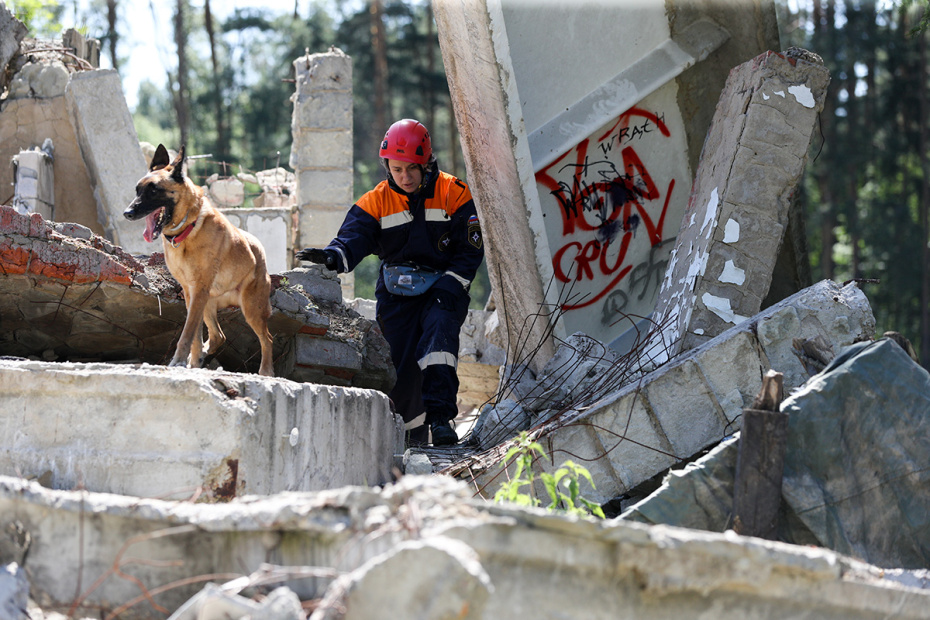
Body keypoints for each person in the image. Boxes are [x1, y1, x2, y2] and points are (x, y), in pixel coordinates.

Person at [297, 119, 484, 447]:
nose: (405, 177)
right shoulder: (376, 201)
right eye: (397, 169)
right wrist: (332, 257)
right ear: (387, 166)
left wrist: (451, 287)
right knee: (398, 366)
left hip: (444, 286)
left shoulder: (454, 192)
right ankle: (411, 436)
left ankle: (441, 420)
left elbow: (470, 251)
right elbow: (353, 238)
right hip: (397, 293)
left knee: (439, 341)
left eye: (412, 169)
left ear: (426, 163)